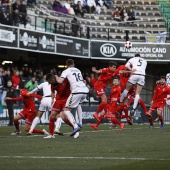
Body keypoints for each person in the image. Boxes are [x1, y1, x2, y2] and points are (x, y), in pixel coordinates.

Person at [52, 59, 89, 137]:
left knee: (66, 110)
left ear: (66, 65)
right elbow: (83, 81)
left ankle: (75, 126)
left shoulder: (66, 71)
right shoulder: (78, 70)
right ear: (74, 64)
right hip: (85, 90)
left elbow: (60, 81)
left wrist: (55, 76)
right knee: (78, 104)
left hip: (77, 91)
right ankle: (80, 123)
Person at [44, 72, 84, 138]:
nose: (49, 83)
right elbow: (52, 92)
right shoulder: (53, 84)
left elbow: (73, 82)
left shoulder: (64, 79)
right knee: (52, 115)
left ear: (52, 79)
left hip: (67, 100)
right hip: (58, 101)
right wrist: (52, 99)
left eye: (49, 81)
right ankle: (51, 135)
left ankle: (76, 129)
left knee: (64, 118)